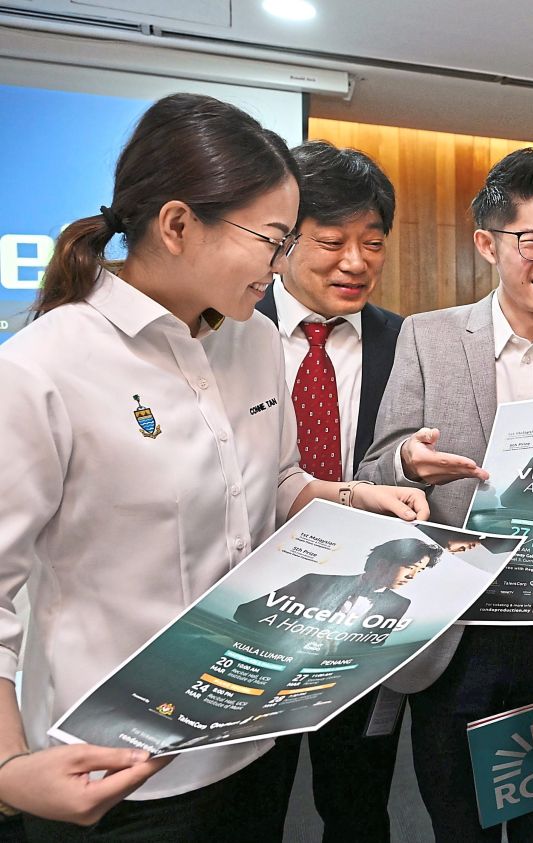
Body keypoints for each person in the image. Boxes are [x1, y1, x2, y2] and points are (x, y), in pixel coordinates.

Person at [0, 93, 427, 842]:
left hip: (248, 734)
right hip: (115, 767)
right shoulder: (45, 366)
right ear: (175, 225)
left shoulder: (253, 342)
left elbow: (280, 481)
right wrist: (7, 767)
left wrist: (357, 495)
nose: (283, 261)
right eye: (272, 238)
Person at [357, 148, 533, 842]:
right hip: (456, 642)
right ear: (488, 243)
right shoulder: (428, 337)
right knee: (460, 827)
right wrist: (411, 466)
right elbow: (377, 465)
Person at [254, 139, 406, 843]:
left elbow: (398, 463)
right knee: (248, 803)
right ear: (284, 241)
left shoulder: (403, 341)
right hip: (247, 609)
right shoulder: (228, 332)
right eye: (332, 240)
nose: (356, 261)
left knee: (358, 805)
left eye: (372, 242)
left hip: (356, 611)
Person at [234, 537, 442, 639]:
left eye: (419, 571)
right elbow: (245, 612)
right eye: (410, 568)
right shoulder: (316, 580)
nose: (413, 576)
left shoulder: (399, 604)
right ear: (382, 564)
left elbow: (366, 647)